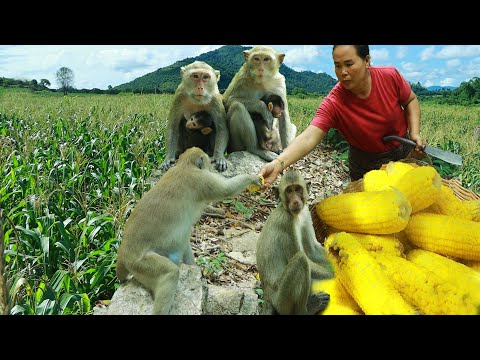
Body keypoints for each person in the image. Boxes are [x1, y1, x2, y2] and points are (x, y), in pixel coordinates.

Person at [259, 45, 424, 187]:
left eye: (349, 64)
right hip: (366, 163)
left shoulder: (389, 77)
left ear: (366, 61)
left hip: (404, 149)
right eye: (337, 66)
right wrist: (278, 163)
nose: (343, 72)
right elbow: (309, 137)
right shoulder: (334, 103)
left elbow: (410, 100)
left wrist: (415, 133)